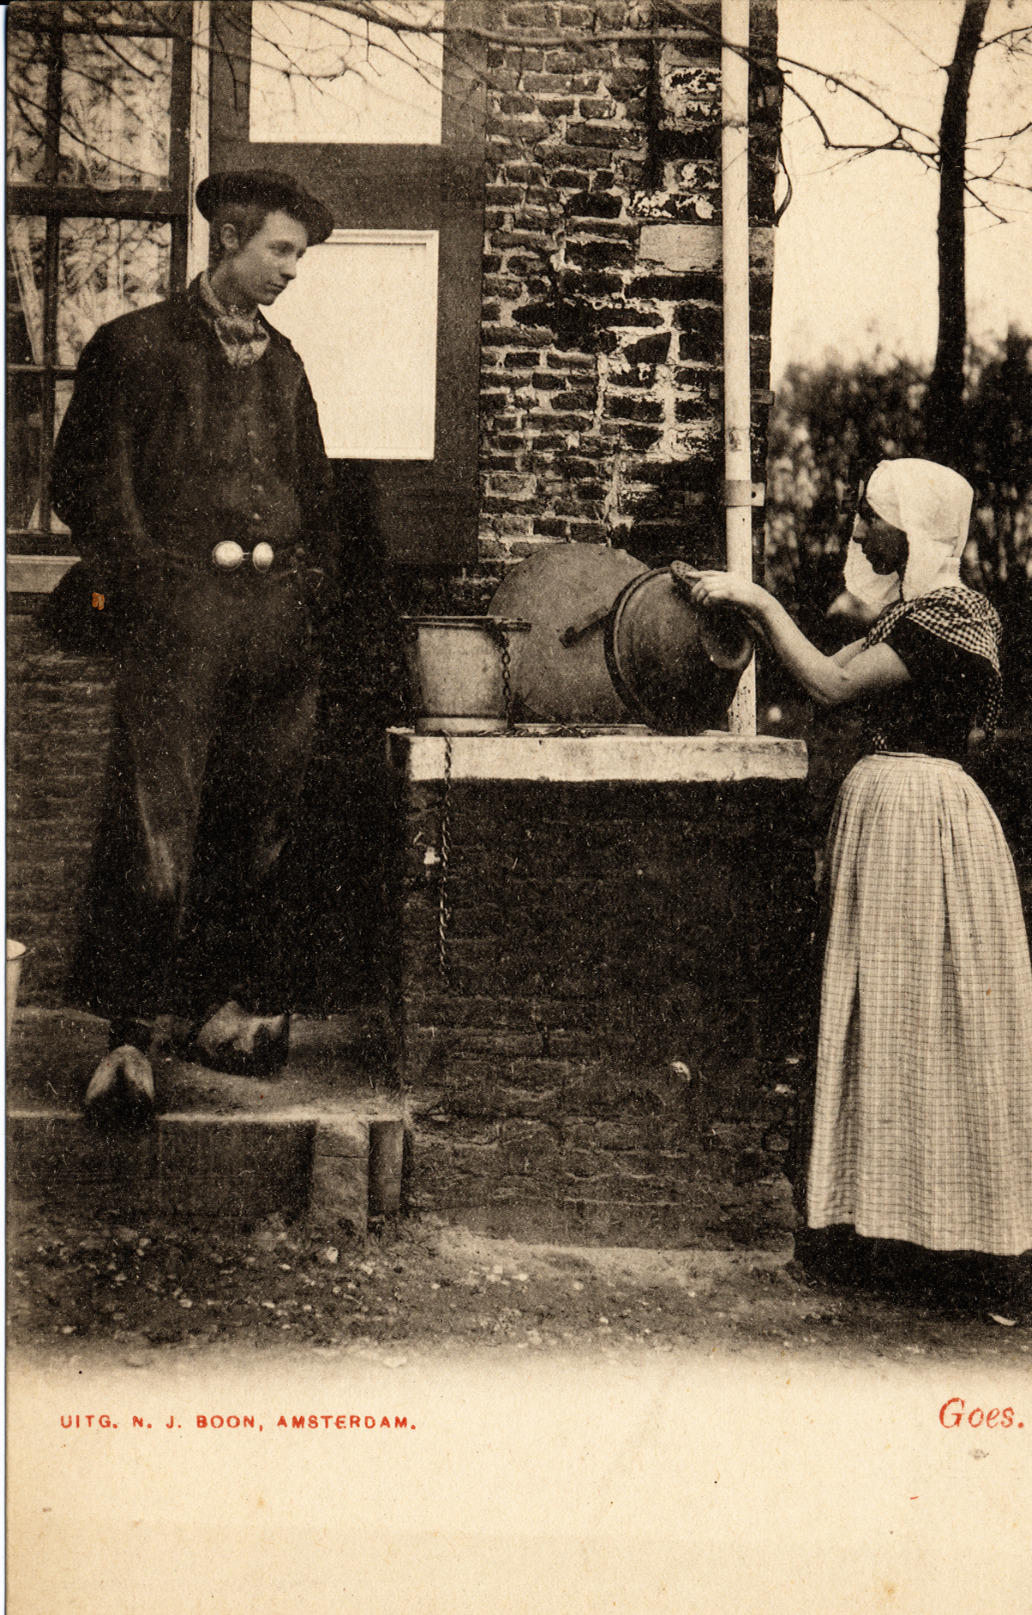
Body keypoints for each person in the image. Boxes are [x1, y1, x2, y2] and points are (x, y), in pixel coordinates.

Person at [678, 457, 1032, 1315]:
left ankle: (953, 1240)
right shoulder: (914, 616)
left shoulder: (947, 621)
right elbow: (814, 665)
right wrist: (736, 608)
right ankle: (882, 1226)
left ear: (914, 531)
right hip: (898, 819)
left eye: (874, 518)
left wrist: (757, 599)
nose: (860, 531)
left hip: (923, 821)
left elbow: (829, 686)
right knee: (888, 1017)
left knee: (926, 1018)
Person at [51, 169, 338, 1124]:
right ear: (229, 240)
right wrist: (152, 583)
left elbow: (315, 492)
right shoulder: (133, 346)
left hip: (273, 629)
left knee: (258, 824)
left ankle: (220, 1012)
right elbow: (85, 484)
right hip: (176, 624)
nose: (292, 270)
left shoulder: (286, 364)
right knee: (157, 830)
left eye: (300, 255)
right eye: (281, 251)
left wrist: (303, 584)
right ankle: (129, 1039)